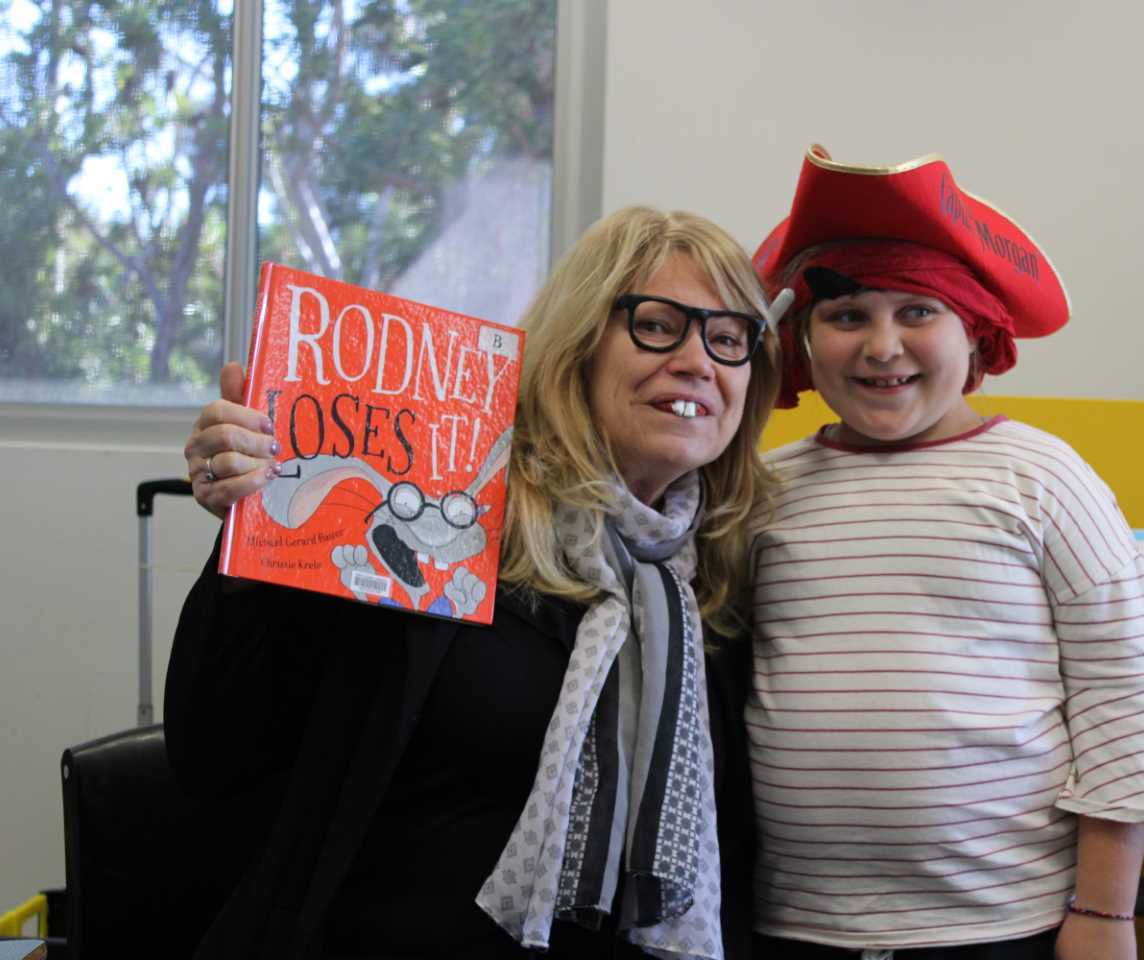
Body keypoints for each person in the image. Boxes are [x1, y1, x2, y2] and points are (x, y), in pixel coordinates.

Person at [167, 207, 783, 959]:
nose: (698, 361)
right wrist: (251, 529)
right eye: (658, 324)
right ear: (579, 346)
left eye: (727, 339)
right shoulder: (436, 521)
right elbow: (217, 749)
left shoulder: (714, 583)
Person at [743, 146, 1144, 959]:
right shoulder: (761, 493)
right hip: (789, 925)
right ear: (802, 339)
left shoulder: (1044, 479)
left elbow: (1119, 702)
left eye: (918, 313)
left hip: (1004, 925)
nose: (881, 346)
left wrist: (1106, 916)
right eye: (847, 315)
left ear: (977, 333)